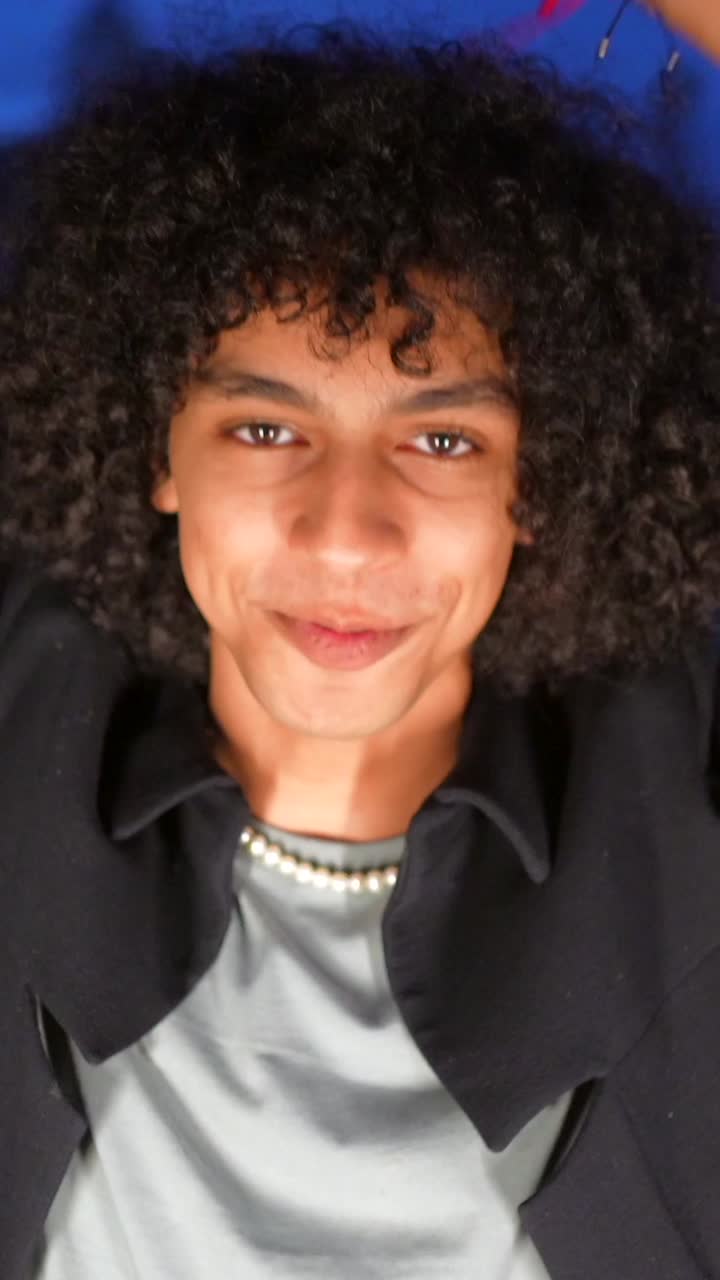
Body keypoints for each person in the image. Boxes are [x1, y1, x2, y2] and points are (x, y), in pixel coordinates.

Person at [1, 24, 720, 1280]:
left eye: (442, 442)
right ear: (158, 453)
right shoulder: (22, 677)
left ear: (538, 482)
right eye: (266, 427)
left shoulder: (685, 761)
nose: (345, 537)